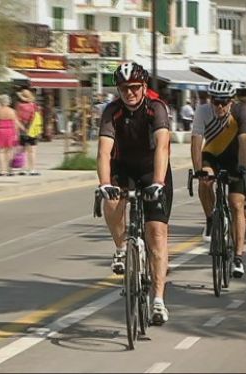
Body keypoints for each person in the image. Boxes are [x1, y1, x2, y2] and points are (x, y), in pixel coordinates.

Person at [96, 62, 172, 325]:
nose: (129, 93)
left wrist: (159, 182)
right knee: (111, 198)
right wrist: (104, 183)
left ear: (144, 87)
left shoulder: (156, 108)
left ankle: (158, 300)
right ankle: (120, 248)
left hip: (153, 170)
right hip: (124, 166)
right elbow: (104, 151)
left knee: (157, 233)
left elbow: (162, 147)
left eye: (134, 88)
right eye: (124, 88)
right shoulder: (112, 111)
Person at [190, 79, 246, 278]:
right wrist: (198, 170)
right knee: (205, 181)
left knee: (236, 204)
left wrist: (242, 167)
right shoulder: (202, 111)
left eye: (223, 102)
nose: (219, 106)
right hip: (213, 156)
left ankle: (239, 258)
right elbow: (196, 142)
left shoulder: (241, 111)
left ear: (230, 102)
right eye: (215, 101)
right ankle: (210, 219)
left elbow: (244, 143)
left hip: (235, 158)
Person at [0, 94, 25, 176]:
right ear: (8, 102)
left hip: (0, 131)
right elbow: (16, 123)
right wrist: (17, 133)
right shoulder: (12, 111)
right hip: (10, 131)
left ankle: (1, 170)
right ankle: (8, 169)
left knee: (0, 151)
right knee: (9, 150)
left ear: (0, 102)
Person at [15, 89, 40, 176]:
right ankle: (32, 169)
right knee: (32, 151)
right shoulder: (33, 106)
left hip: (22, 130)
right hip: (32, 130)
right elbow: (34, 117)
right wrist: (29, 128)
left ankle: (23, 169)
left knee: (22, 150)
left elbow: (17, 118)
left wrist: (22, 128)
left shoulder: (19, 106)